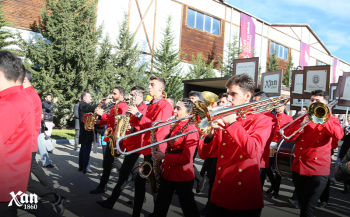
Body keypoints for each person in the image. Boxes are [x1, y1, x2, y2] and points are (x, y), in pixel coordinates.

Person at [199, 73, 272, 217]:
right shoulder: (225, 117)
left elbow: (253, 150)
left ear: (247, 96)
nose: (229, 99)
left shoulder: (262, 120)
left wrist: (232, 123)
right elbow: (203, 154)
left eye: (234, 94)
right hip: (219, 192)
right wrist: (209, 134)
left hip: (243, 196)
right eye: (228, 94)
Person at [0, 51, 58, 216]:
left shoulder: (10, 103)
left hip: (5, 180)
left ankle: (54, 199)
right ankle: (53, 205)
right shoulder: (21, 97)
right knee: (21, 198)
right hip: (12, 177)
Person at [283, 90, 343, 217]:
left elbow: (338, 135)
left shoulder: (331, 120)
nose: (314, 103)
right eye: (312, 100)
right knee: (302, 203)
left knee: (308, 207)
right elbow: (287, 137)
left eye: (318, 101)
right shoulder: (301, 118)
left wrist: (323, 118)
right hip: (298, 167)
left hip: (318, 170)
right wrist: (301, 125)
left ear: (325, 104)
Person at [127, 76, 173, 217]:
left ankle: (157, 213)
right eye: (149, 84)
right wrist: (133, 127)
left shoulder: (165, 105)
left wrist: (138, 114)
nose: (149, 87)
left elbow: (157, 126)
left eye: (152, 85)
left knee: (155, 185)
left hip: (156, 149)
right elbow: (146, 124)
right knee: (143, 183)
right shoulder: (152, 103)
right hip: (148, 147)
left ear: (161, 88)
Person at [96, 86, 147, 208]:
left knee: (124, 173)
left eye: (132, 95)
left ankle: (111, 201)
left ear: (139, 96)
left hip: (135, 144)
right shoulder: (133, 107)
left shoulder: (142, 108)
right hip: (128, 142)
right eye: (130, 94)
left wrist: (133, 128)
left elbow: (145, 124)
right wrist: (102, 121)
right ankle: (141, 197)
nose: (130, 97)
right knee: (132, 173)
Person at [150, 98, 200, 217]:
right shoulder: (176, 125)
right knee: (161, 205)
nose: (174, 111)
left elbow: (186, 158)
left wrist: (164, 157)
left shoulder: (191, 130)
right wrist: (161, 165)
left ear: (188, 113)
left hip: (182, 176)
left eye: (178, 108)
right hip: (168, 173)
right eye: (175, 107)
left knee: (189, 208)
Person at [90, 86, 127, 192]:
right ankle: (102, 185)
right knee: (107, 163)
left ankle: (128, 176)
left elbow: (119, 122)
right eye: (112, 93)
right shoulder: (115, 105)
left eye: (115, 93)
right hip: (110, 137)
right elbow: (110, 121)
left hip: (115, 138)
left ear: (121, 95)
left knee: (110, 162)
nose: (112, 95)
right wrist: (100, 122)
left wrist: (103, 115)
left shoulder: (123, 106)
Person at [200, 92, 228, 216]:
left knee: (216, 183)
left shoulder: (230, 118)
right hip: (212, 153)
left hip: (220, 155)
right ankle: (210, 205)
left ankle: (211, 207)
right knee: (212, 181)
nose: (220, 105)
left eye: (223, 102)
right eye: (220, 102)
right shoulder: (216, 116)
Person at [265, 100, 292, 199]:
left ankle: (276, 191)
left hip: (280, 145)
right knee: (267, 167)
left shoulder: (289, 118)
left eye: (280, 105)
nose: (277, 107)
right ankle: (273, 183)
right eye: (276, 105)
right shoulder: (270, 116)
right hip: (270, 145)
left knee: (277, 169)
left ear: (284, 106)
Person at [78, 92, 104, 174]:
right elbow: (92, 108)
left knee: (83, 148)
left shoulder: (82, 104)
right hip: (87, 130)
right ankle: (85, 167)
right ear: (84, 98)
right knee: (86, 149)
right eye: (89, 97)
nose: (91, 98)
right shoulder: (83, 104)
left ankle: (81, 166)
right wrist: (103, 103)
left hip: (85, 130)